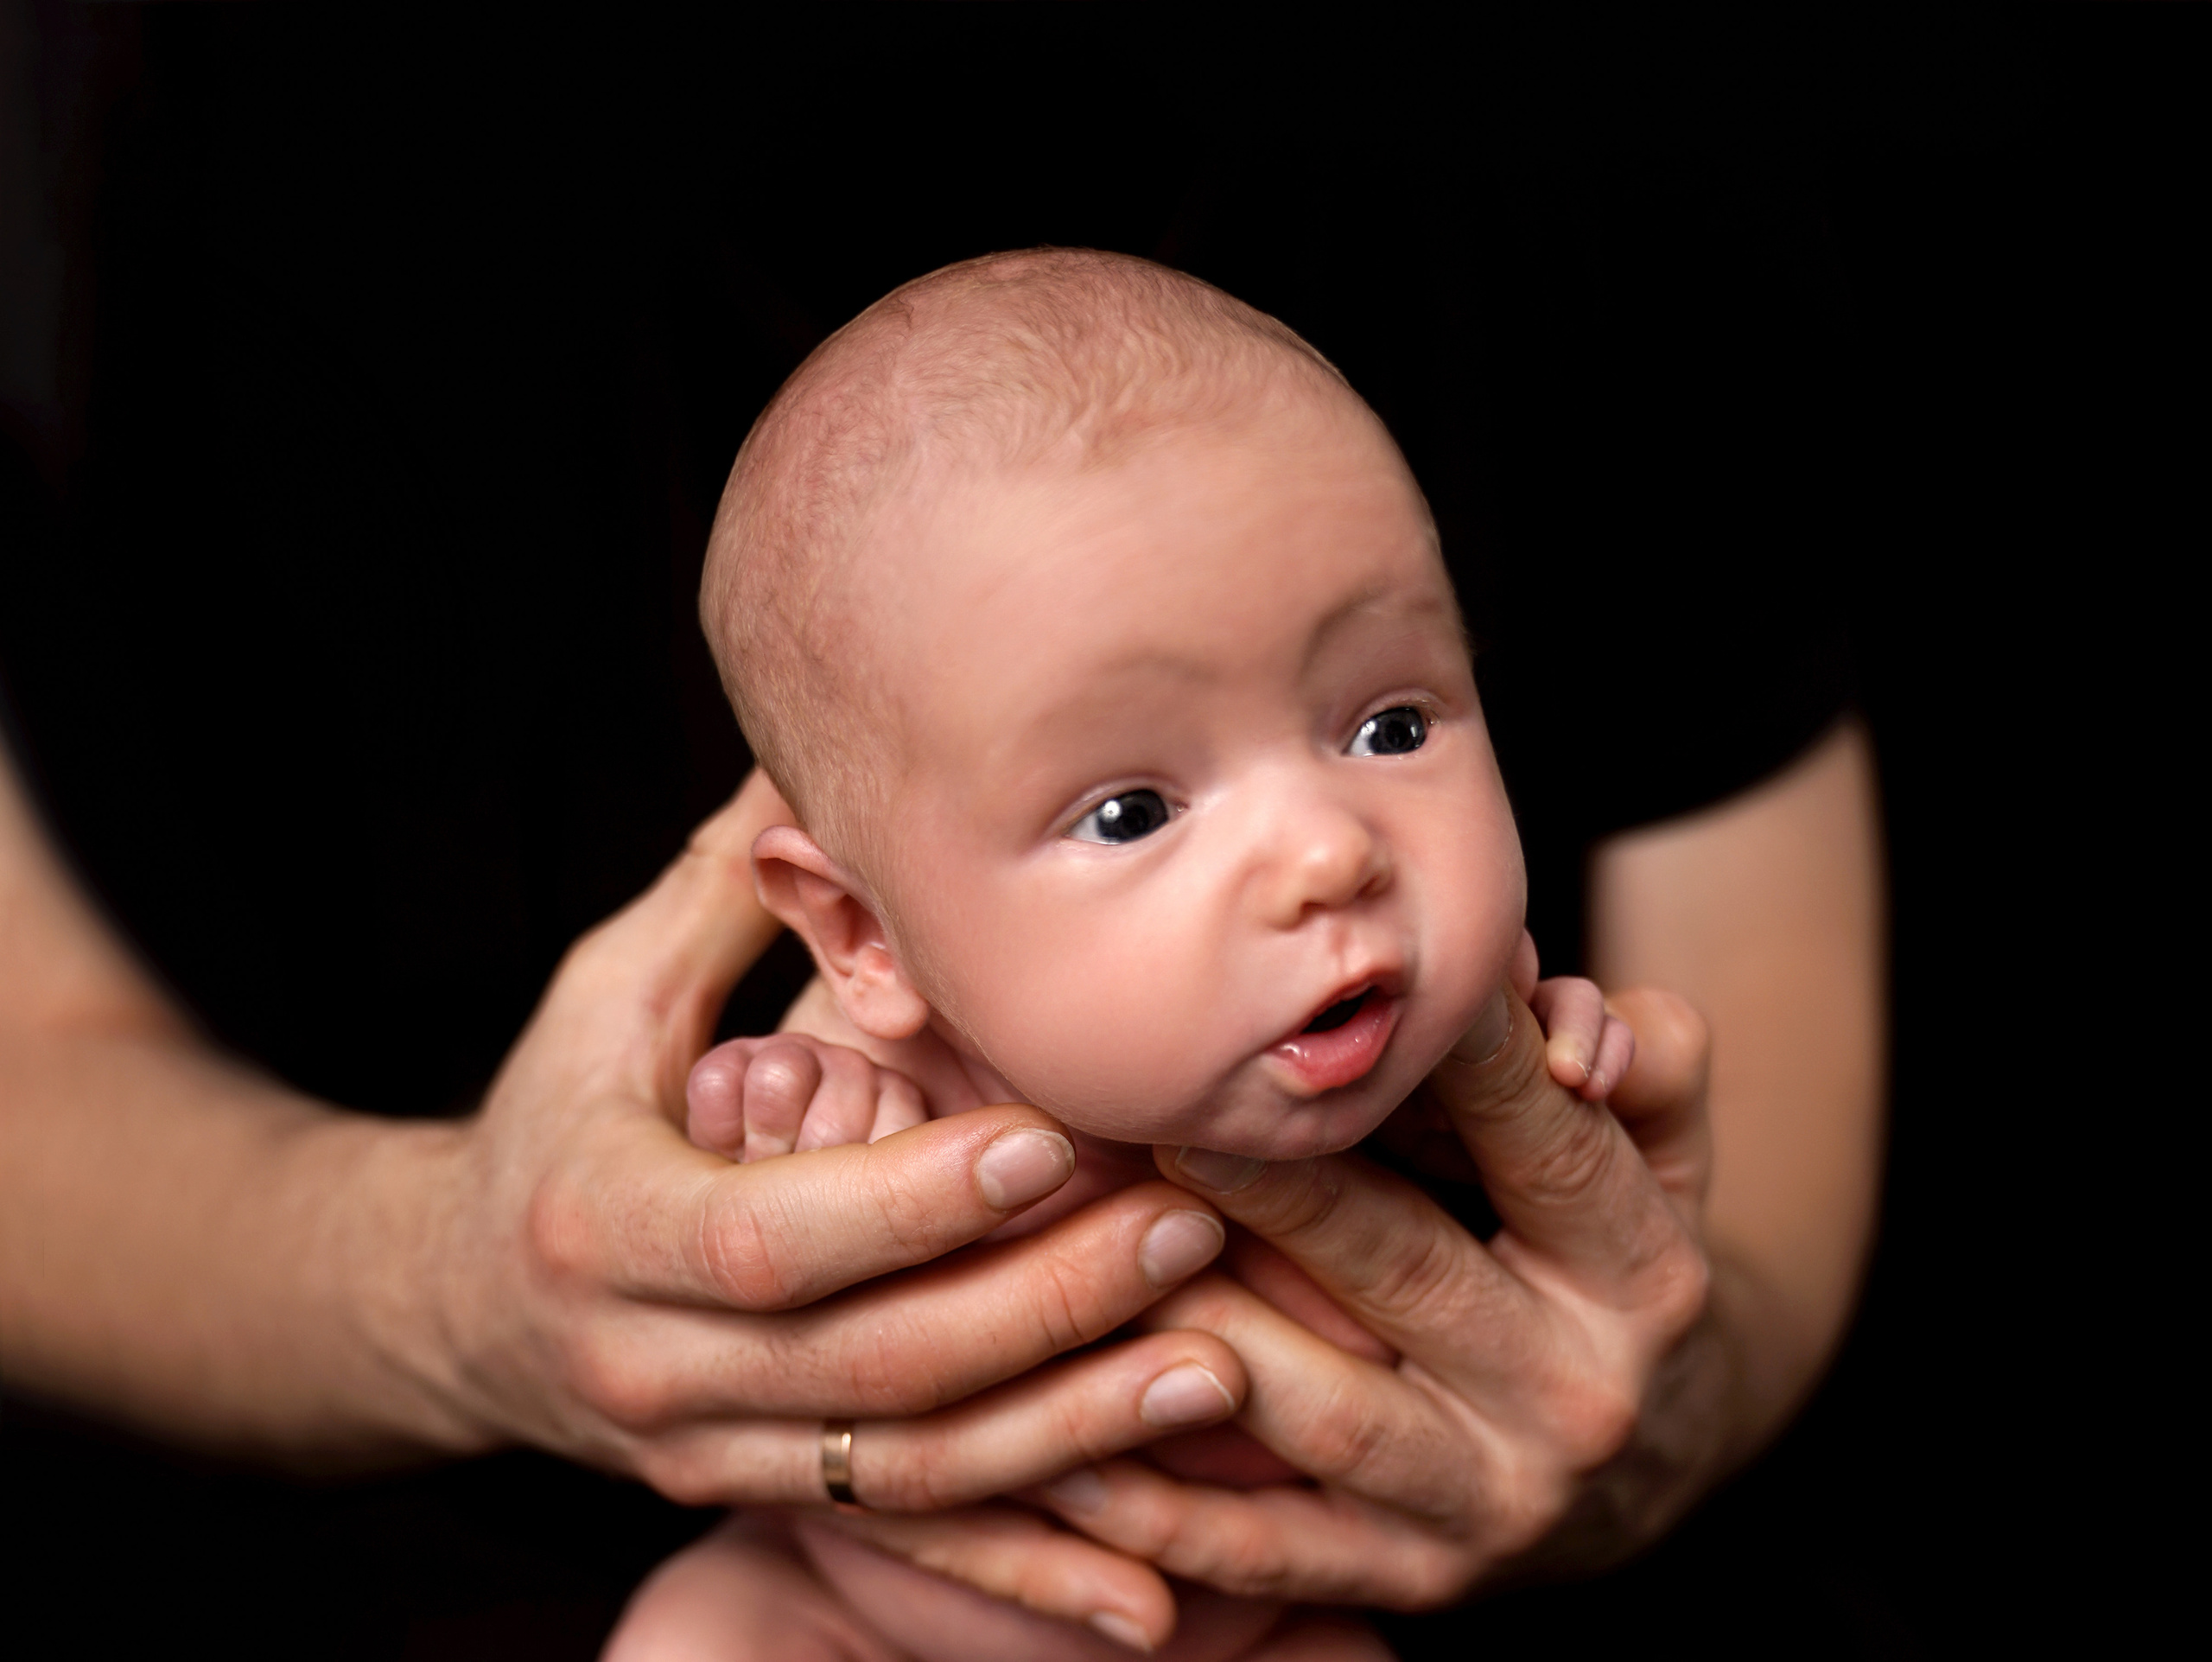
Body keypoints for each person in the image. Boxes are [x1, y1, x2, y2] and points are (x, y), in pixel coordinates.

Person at [591, 249, 1856, 1662]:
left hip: (1267, 1624)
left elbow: (1564, 1209)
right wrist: (794, 1125)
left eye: (1389, 724)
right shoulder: (879, 1073)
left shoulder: (1447, 1052)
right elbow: (757, 1260)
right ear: (864, 937)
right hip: (853, 1620)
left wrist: (1575, 1084)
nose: (1332, 854)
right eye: (1132, 814)